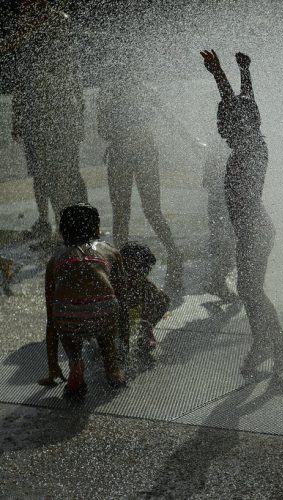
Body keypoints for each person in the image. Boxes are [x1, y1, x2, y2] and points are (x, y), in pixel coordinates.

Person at [200, 49, 283, 374]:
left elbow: (237, 106)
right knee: (250, 290)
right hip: (254, 231)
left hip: (254, 232)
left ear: (235, 125)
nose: (219, 126)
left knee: (250, 290)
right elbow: (246, 104)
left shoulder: (247, 153)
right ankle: (264, 344)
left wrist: (218, 74)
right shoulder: (255, 143)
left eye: (222, 121)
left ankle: (280, 342)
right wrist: (244, 71)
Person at [97, 68, 184, 295]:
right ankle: (170, 252)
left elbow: (104, 131)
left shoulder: (119, 99)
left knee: (131, 211)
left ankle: (123, 260)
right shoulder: (140, 96)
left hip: (129, 156)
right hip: (135, 154)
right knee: (142, 210)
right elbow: (104, 130)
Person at [11, 0, 87, 241]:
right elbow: (21, 80)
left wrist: (79, 116)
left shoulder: (57, 23)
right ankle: (50, 222)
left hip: (60, 114)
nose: (24, 8)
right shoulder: (29, 34)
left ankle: (72, 224)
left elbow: (73, 76)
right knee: (42, 172)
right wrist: (17, 115)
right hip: (37, 116)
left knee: (63, 172)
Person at [38, 204, 127, 398]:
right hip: (103, 312)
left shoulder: (55, 260)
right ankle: (112, 368)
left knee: (65, 320)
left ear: (62, 232)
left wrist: (52, 365)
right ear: (97, 229)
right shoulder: (109, 251)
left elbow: (51, 318)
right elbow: (121, 297)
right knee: (106, 320)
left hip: (69, 318)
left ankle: (76, 365)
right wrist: (125, 341)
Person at [119, 241, 171, 352]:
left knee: (162, 299)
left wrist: (146, 324)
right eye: (129, 268)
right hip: (109, 322)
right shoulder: (112, 280)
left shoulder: (143, 284)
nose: (134, 273)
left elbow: (161, 301)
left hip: (129, 318)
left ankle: (145, 331)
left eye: (141, 270)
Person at [202, 137, 236, 300]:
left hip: (221, 190)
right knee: (231, 239)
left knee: (224, 238)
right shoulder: (231, 134)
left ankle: (217, 280)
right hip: (226, 191)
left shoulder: (220, 136)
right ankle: (218, 281)